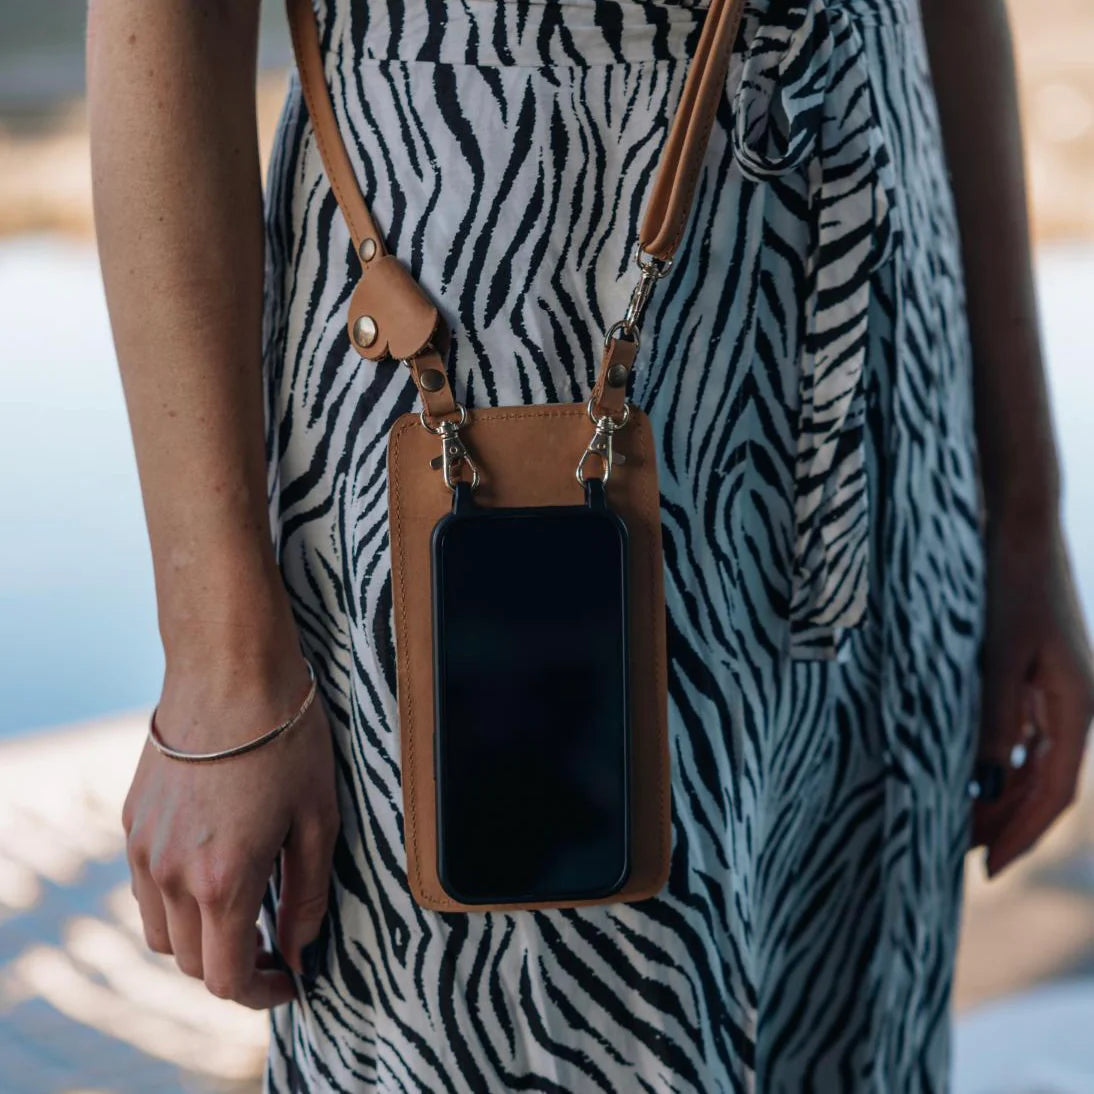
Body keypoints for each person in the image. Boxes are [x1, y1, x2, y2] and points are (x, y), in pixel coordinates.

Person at [88, 0, 1093, 1089]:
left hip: (881, 346)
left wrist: (1024, 516)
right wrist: (221, 668)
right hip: (502, 309)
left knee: (858, 1041)